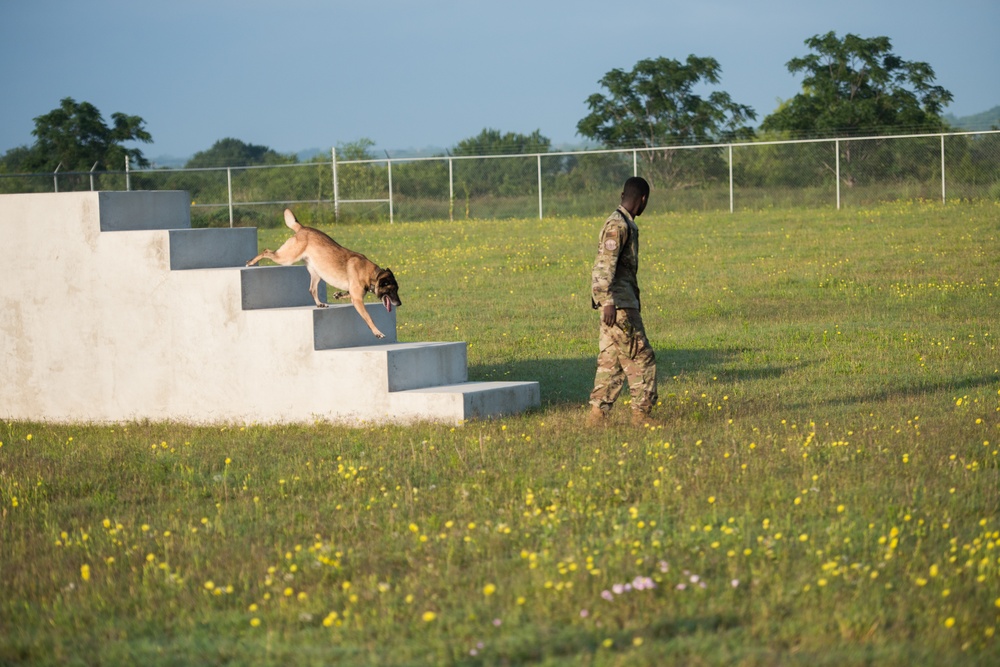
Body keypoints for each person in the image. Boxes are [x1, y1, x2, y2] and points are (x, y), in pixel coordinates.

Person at [587, 176, 659, 427]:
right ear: (643, 199)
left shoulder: (622, 222)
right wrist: (607, 300)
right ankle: (642, 416)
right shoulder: (618, 225)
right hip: (619, 305)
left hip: (616, 303)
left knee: (612, 361)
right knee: (643, 357)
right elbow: (603, 266)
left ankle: (596, 417)